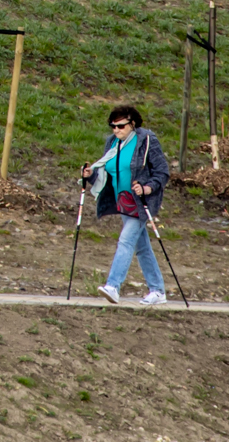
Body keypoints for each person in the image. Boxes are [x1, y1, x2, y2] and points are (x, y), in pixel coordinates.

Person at [81, 105, 169, 305]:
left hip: (141, 202)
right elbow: (106, 172)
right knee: (142, 247)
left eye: (120, 126)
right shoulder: (112, 143)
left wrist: (147, 188)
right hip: (123, 202)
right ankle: (158, 290)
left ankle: (113, 286)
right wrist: (91, 175)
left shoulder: (146, 140)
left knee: (125, 241)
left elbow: (162, 172)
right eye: (113, 126)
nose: (116, 130)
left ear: (133, 124)